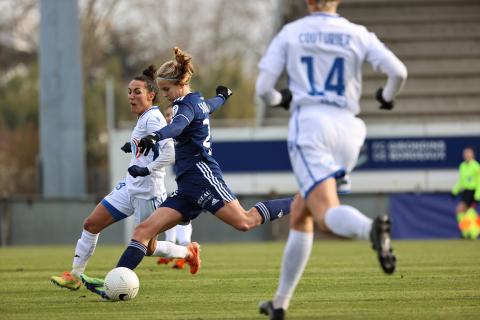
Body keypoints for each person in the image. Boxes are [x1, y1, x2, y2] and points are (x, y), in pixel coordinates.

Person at [81, 47, 294, 299]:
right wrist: (223, 97)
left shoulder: (185, 106)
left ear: (180, 84)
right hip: (186, 186)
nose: (166, 96)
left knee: (244, 222)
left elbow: (179, 125)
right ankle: (113, 285)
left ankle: (301, 202)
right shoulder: (198, 101)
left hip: (204, 177)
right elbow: (210, 106)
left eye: (166, 90)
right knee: (142, 232)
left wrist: (156, 135)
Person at [255, 1, 408, 318]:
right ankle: (280, 304)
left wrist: (280, 99)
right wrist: (386, 98)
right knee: (301, 211)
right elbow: (398, 72)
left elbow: (263, 90)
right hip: (349, 129)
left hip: (311, 126)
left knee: (324, 212)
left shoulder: (292, 32)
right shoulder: (357, 33)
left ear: (308, 2)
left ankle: (371, 230)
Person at [50, 66, 200, 291]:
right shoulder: (143, 118)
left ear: (151, 95)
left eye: (137, 92)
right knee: (91, 224)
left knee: (149, 248)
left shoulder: (153, 118)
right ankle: (75, 276)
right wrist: (133, 147)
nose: (131, 96)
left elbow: (170, 153)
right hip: (129, 188)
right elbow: (149, 147)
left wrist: (146, 169)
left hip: (148, 193)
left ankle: (188, 252)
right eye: (129, 91)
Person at [157, 104, 194, 269]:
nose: (168, 118)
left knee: (183, 216)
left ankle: (186, 251)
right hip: (166, 181)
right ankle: (171, 249)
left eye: (171, 115)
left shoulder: (184, 132)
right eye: (166, 115)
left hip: (184, 180)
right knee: (166, 214)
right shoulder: (164, 134)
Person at [451, 146, 480, 238]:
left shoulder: (476, 166)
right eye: (465, 153)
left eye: (469, 153)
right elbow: (461, 181)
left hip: (474, 191)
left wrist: (478, 195)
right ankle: (468, 232)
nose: (467, 155)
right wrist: (455, 190)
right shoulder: (462, 166)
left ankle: (473, 232)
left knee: (465, 212)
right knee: (463, 213)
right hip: (466, 192)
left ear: (473, 155)